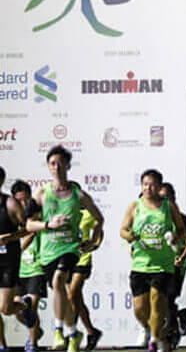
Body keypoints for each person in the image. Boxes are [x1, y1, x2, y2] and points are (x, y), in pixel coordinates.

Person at [25, 146, 104, 352]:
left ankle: (58, 331)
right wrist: (49, 224)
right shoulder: (41, 193)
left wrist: (93, 241)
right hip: (48, 252)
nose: (57, 167)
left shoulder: (78, 195)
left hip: (70, 249)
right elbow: (28, 225)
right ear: (49, 167)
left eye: (60, 163)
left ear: (68, 165)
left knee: (59, 279)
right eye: (52, 163)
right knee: (60, 290)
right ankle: (74, 333)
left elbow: (99, 219)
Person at [120, 169, 185, 352]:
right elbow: (123, 230)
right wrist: (130, 236)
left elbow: (181, 230)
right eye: (145, 184)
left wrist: (174, 238)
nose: (149, 188)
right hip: (140, 264)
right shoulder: (134, 206)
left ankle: (154, 341)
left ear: (159, 187)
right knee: (140, 309)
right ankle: (149, 328)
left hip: (162, 264)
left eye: (153, 184)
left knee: (157, 301)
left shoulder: (168, 206)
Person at [0, 173, 35, 352]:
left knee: (5, 309)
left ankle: (24, 305)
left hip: (8, 261)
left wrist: (9, 238)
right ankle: (2, 345)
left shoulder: (10, 204)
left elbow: (27, 229)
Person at [159, 183, 186, 346]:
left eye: (167, 197)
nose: (165, 201)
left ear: (173, 198)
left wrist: (182, 257)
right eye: (162, 198)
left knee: (169, 296)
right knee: (161, 299)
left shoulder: (182, 219)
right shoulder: (157, 218)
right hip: (159, 265)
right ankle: (178, 319)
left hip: (177, 266)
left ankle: (173, 329)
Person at [12, 180, 46, 352]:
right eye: (20, 201)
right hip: (17, 271)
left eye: (26, 199)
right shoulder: (10, 217)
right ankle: (36, 332)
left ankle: (32, 344)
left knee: (31, 306)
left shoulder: (36, 216)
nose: (24, 204)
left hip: (36, 268)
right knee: (15, 309)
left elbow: (32, 233)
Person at [68, 205, 103, 352]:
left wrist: (94, 245)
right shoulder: (65, 213)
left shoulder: (88, 213)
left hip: (83, 260)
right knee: (76, 299)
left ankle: (73, 336)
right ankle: (91, 331)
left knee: (72, 294)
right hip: (67, 258)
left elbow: (99, 229)